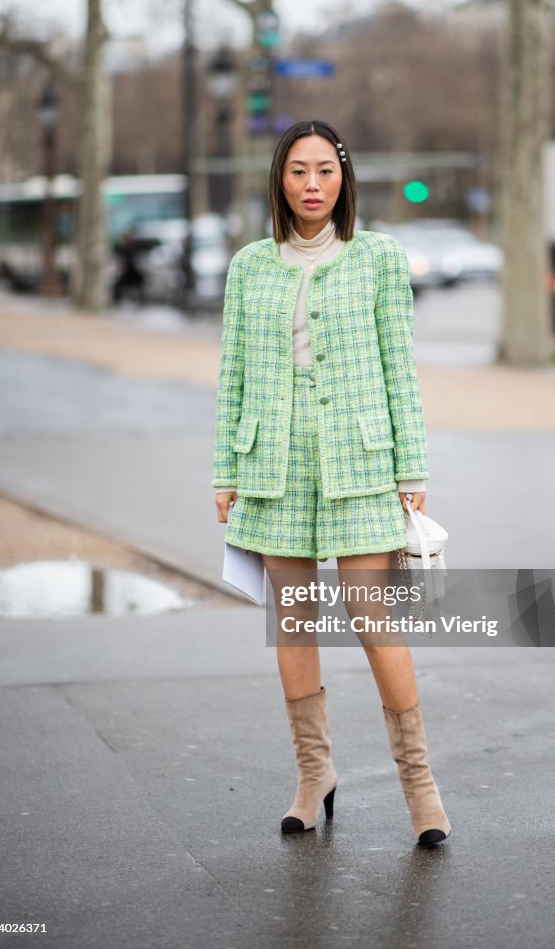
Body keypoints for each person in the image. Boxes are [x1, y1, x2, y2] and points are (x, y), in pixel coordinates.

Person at [212, 119, 451, 847]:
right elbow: (234, 375)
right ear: (279, 181)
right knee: (292, 622)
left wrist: (412, 467)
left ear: (344, 178)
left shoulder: (377, 258)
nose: (311, 185)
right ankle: (314, 776)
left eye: (324, 170)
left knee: (374, 622)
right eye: (297, 172)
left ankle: (421, 789)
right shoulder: (250, 265)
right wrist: (225, 468)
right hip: (273, 463)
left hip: (360, 460)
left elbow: (399, 369)